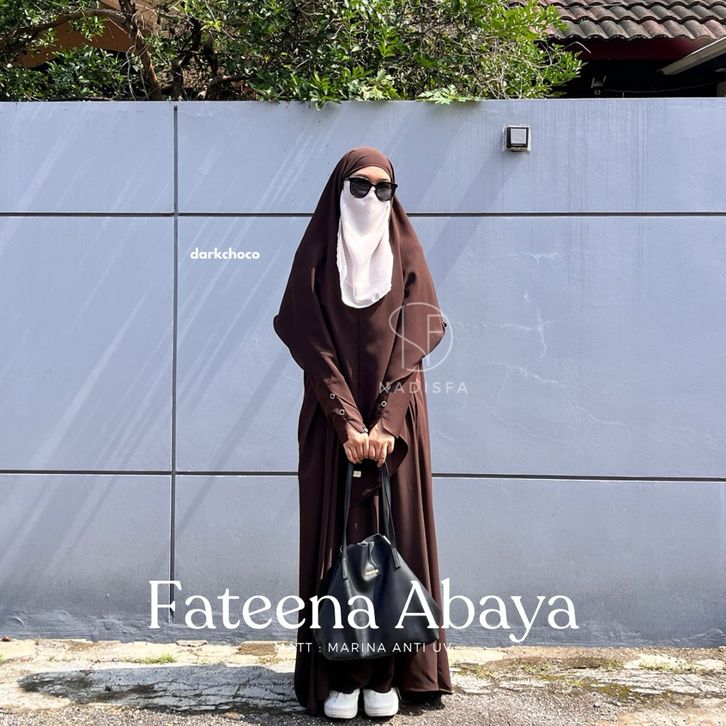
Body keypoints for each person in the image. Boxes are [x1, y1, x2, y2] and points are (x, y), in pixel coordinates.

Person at [273, 145, 452, 719]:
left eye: (384, 188)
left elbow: (417, 338)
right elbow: (308, 338)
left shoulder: (406, 252)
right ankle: (339, 676)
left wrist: (386, 423)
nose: (372, 197)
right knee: (339, 544)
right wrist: (348, 421)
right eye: (359, 186)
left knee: (394, 542)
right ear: (338, 190)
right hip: (333, 428)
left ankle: (389, 675)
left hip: (397, 427)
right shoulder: (316, 256)